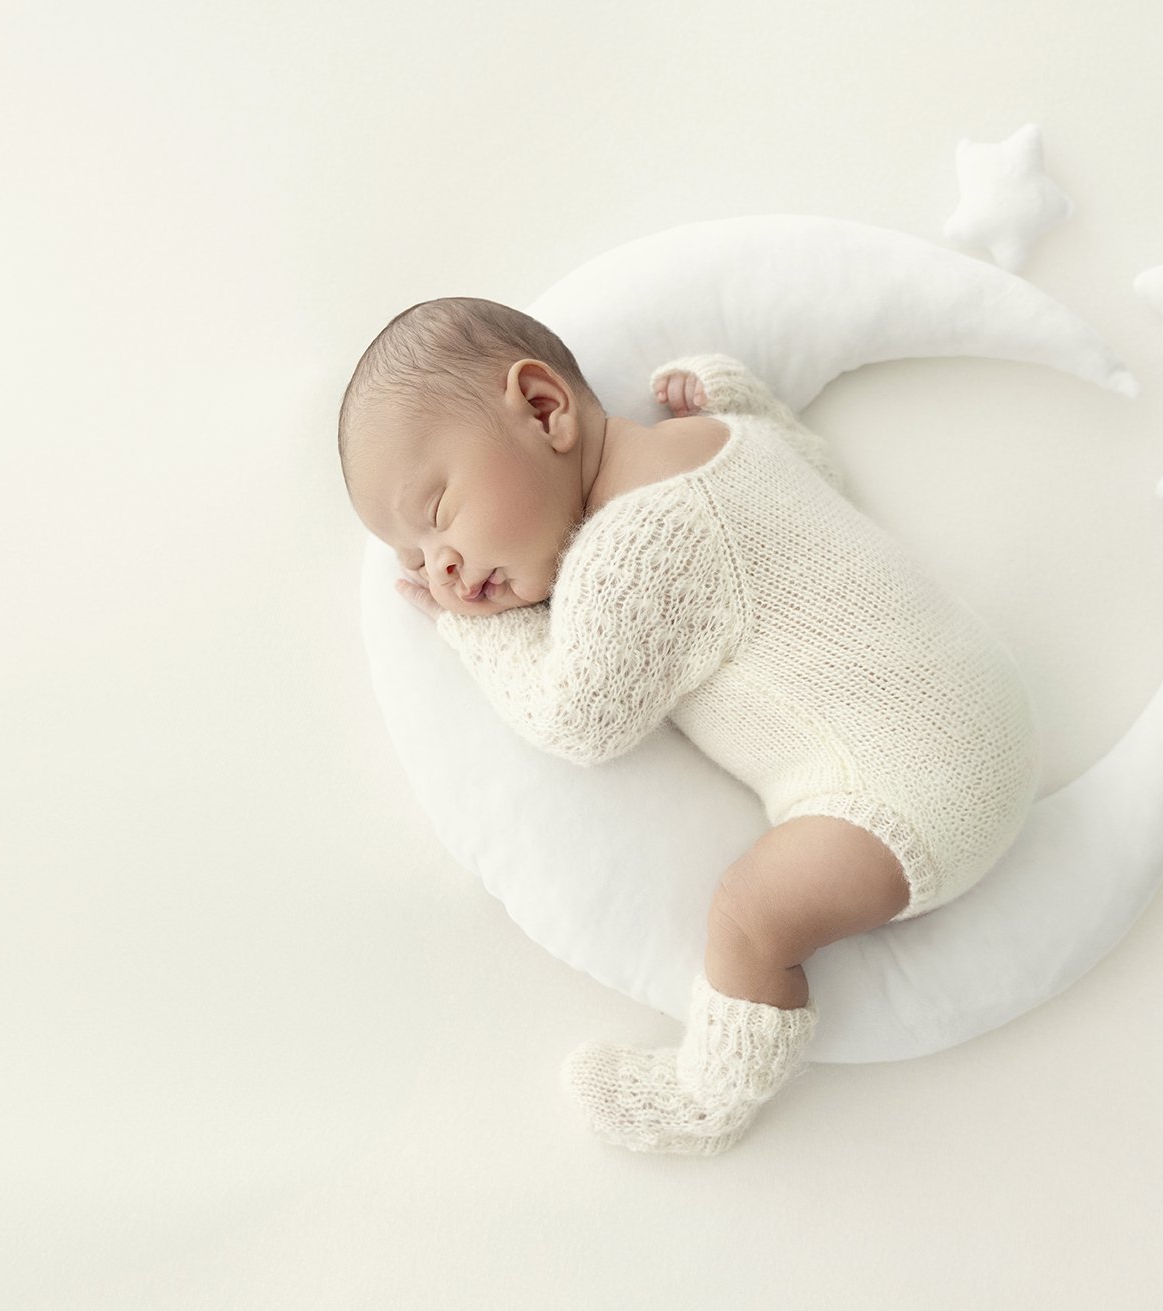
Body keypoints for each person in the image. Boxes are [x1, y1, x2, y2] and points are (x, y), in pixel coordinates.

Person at [339, 297, 1041, 1155]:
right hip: (988, 708)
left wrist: (474, 632)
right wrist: (739, 396)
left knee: (748, 915)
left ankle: (708, 1097)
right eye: (415, 561)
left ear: (545, 408)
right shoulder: (731, 442)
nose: (441, 570)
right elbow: (820, 466)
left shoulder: (633, 546)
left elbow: (577, 714)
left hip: (906, 794)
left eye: (439, 513)